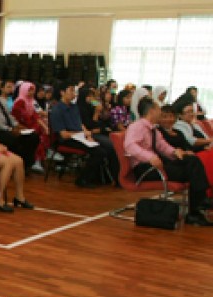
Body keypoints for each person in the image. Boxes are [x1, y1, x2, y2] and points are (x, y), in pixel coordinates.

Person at [124, 97, 211, 226]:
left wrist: (175, 152)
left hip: (158, 164)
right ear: (152, 111)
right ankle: (197, 209)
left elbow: (163, 146)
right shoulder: (137, 126)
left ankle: (200, 205)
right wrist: (149, 157)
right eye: (159, 109)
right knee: (190, 172)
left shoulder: (153, 129)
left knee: (192, 160)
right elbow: (130, 145)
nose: (160, 111)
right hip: (145, 168)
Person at [48, 82, 109, 188]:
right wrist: (82, 134)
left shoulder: (74, 107)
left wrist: (88, 136)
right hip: (66, 139)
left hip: (79, 136)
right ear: (62, 93)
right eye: (71, 90)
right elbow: (63, 134)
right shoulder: (57, 110)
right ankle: (82, 179)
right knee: (98, 152)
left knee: (101, 148)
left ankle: (95, 178)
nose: (74, 94)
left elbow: (80, 124)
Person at [0, 74, 40, 173]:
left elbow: (8, 115)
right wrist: (9, 129)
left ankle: (25, 165)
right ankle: (13, 166)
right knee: (12, 139)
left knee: (33, 136)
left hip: (8, 128)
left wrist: (17, 125)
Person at [11, 82, 49, 173]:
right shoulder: (20, 101)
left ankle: (36, 160)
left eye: (33, 90)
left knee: (44, 132)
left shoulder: (32, 101)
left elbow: (36, 116)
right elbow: (19, 118)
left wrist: (45, 127)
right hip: (20, 126)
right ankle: (35, 160)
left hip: (30, 125)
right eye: (29, 90)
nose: (31, 92)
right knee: (37, 135)